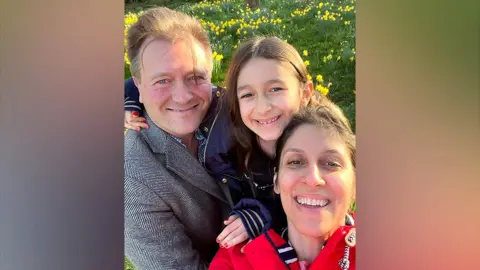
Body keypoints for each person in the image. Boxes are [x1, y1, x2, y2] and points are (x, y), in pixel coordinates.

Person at [124, 36, 332, 249]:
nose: (263, 107)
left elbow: (318, 202)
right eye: (248, 94)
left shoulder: (323, 147)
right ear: (235, 99)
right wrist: (131, 97)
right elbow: (151, 72)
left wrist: (265, 214)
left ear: (305, 92)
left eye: (276, 89)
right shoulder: (226, 122)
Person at [123, 7, 258, 270]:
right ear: (137, 85)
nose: (183, 97)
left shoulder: (241, 108)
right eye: (162, 81)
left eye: (195, 77)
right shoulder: (131, 180)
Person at [209, 105, 357, 270]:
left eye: (331, 163)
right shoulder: (234, 260)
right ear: (276, 180)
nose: (312, 179)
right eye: (295, 162)